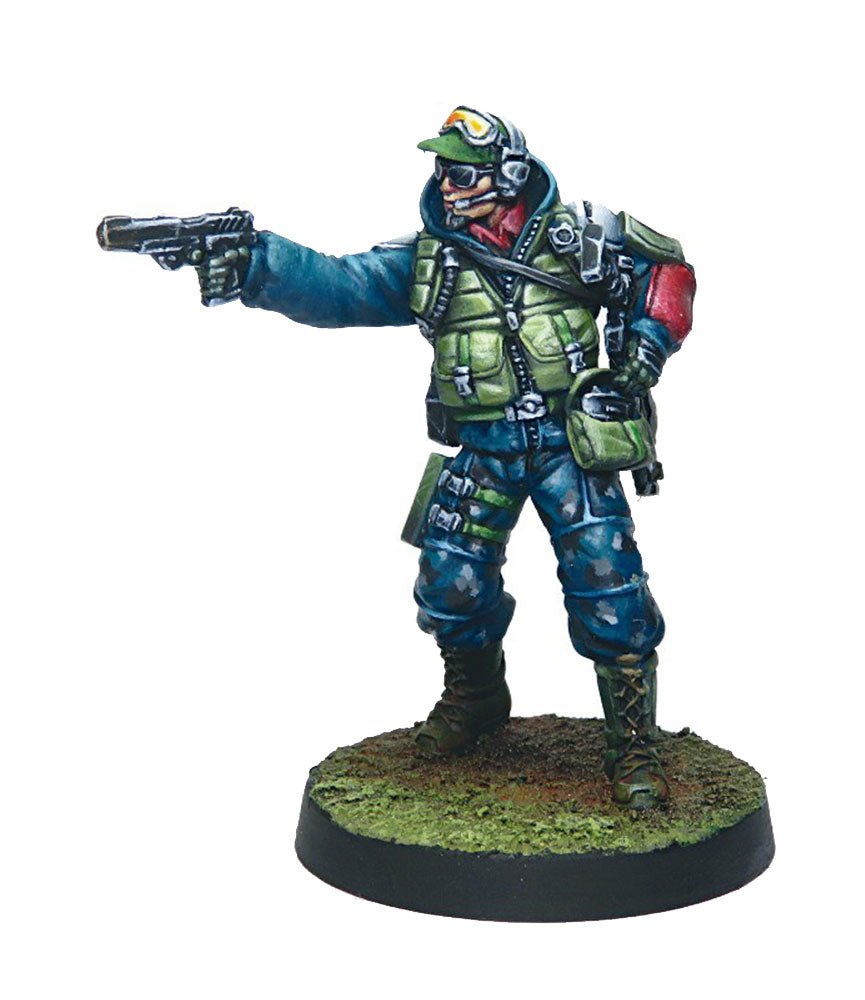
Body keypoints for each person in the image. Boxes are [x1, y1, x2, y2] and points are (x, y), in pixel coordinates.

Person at [197, 107, 696, 809]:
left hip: (573, 448)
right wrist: (258, 264)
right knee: (448, 583)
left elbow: (665, 272)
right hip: (484, 448)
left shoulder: (578, 240)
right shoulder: (431, 260)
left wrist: (645, 347)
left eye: (462, 172)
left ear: (509, 174)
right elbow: (340, 285)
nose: (446, 184)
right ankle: (477, 697)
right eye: (442, 170)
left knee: (610, 588)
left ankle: (634, 743)